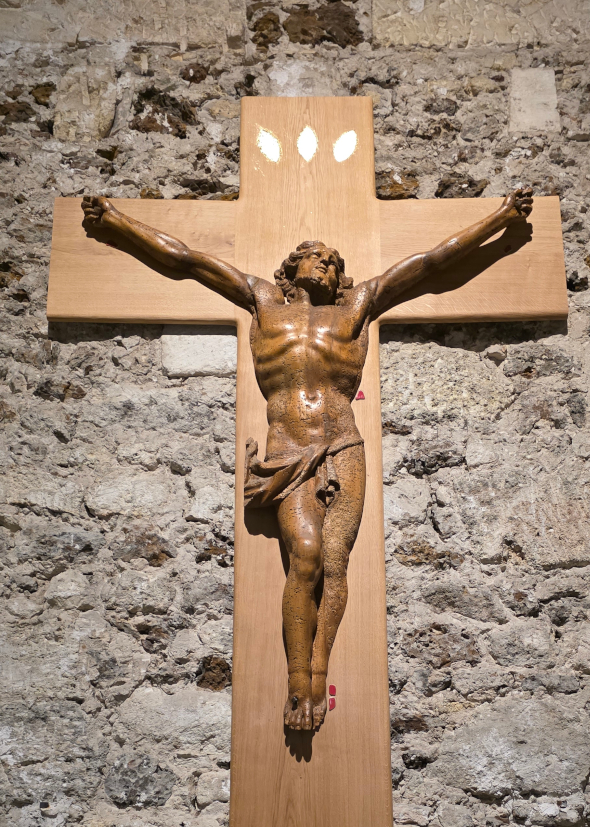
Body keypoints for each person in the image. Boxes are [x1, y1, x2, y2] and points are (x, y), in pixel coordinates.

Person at [82, 188, 534, 731]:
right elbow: (187, 259)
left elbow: (432, 262)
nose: (327, 264)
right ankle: (297, 678)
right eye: (316, 256)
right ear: (292, 266)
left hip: (343, 446)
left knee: (336, 563)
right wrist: (115, 220)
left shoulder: (357, 305)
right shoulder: (261, 299)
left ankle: (320, 674)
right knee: (307, 557)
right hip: (288, 450)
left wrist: (500, 218)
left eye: (334, 262)